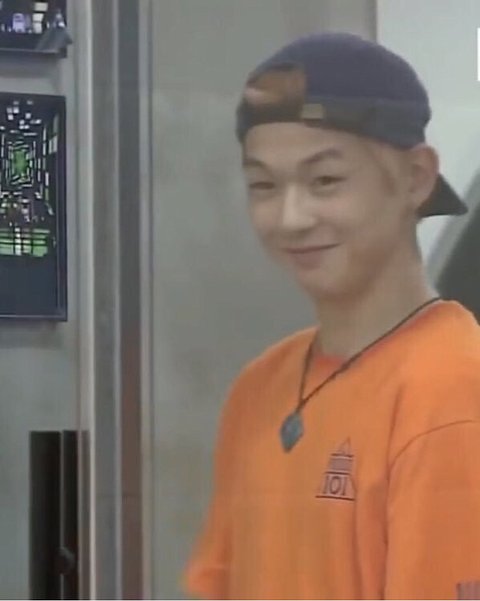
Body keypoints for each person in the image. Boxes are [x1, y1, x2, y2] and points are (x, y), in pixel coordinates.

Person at [182, 32, 480, 600]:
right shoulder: (261, 386)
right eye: (264, 185)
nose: (291, 218)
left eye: (325, 181)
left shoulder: (452, 392)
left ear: (415, 178)